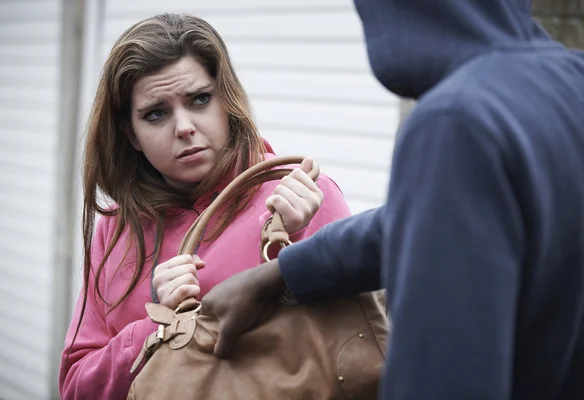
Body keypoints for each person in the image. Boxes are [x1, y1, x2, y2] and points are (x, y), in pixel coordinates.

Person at [201, 0, 584, 399]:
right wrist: (280, 273)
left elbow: (445, 379)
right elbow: (423, 221)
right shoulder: (572, 79)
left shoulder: (456, 121)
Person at [58, 13, 352, 400]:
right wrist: (156, 324)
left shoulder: (303, 197)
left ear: (225, 101)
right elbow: (77, 387)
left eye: (199, 99)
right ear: (131, 133)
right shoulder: (116, 231)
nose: (183, 127)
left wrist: (296, 255)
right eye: (156, 113)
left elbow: (349, 350)